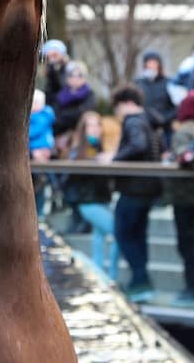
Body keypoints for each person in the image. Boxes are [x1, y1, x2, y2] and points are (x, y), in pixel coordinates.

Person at [110, 84, 162, 302]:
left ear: (127, 104)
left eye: (118, 107)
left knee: (124, 233)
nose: (117, 113)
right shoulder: (149, 121)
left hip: (134, 188)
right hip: (148, 188)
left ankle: (141, 280)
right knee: (138, 235)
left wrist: (114, 158)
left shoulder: (133, 121)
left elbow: (137, 146)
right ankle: (140, 282)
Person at [63, 111, 118, 280]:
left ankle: (98, 277)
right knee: (118, 234)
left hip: (102, 199)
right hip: (88, 201)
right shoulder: (78, 150)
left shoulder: (100, 147)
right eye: (91, 125)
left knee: (99, 239)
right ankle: (110, 278)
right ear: (84, 128)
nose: (95, 129)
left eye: (97, 124)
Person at [167, 90, 194, 302]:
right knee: (191, 240)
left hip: (184, 196)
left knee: (186, 242)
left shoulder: (184, 131)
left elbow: (183, 156)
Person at [136, 51, 176, 149]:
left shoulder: (169, 83)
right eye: (148, 63)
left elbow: (176, 106)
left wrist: (165, 118)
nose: (151, 66)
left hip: (165, 129)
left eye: (154, 63)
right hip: (144, 127)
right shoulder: (138, 83)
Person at [52, 60, 96, 139]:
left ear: (85, 78)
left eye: (79, 75)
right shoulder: (60, 95)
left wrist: (66, 115)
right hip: (59, 135)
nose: (75, 78)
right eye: (71, 75)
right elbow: (55, 117)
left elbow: (85, 113)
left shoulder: (89, 94)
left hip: (81, 135)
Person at [29, 89, 55, 217]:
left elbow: (31, 133)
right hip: (33, 152)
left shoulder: (42, 116)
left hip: (41, 150)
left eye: (36, 102)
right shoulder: (35, 117)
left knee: (40, 183)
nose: (33, 105)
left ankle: (39, 213)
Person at [42, 39, 69, 110]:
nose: (52, 58)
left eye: (55, 55)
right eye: (50, 56)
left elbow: (61, 85)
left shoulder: (67, 68)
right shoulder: (47, 69)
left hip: (63, 103)